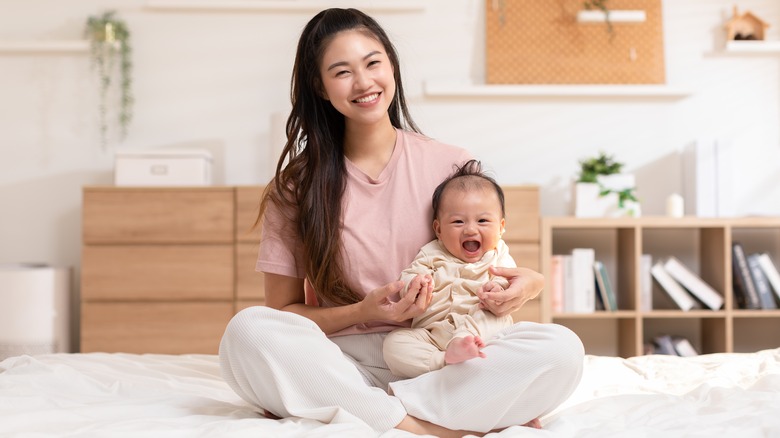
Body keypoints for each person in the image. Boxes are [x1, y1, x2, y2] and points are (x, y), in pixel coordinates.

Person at [218, 8, 584, 437]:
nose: (364, 82)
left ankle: (354, 407)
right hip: (344, 359)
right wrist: (362, 311)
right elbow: (283, 314)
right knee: (248, 331)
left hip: (442, 351)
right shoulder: (295, 187)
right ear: (319, 86)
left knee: (563, 350)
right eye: (342, 72)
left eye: (373, 63)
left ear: (391, 64)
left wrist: (531, 285)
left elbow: (490, 258)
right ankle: (425, 423)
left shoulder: (452, 164)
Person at [383, 159, 517, 378]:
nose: (470, 230)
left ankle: (463, 345)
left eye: (483, 221)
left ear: (501, 227)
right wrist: (415, 284)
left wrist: (499, 288)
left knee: (498, 317)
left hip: (479, 330)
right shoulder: (431, 252)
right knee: (394, 343)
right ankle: (444, 361)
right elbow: (410, 276)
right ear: (438, 229)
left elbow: (510, 278)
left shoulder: (498, 253)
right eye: (458, 222)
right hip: (433, 336)